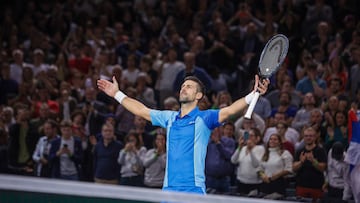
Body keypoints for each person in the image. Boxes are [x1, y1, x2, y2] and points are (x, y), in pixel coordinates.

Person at [97, 75, 269, 194]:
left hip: (193, 190)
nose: (183, 88)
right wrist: (117, 94)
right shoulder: (169, 118)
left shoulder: (205, 118)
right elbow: (142, 110)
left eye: (189, 86)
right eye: (182, 86)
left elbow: (230, 110)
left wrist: (253, 95)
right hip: (168, 189)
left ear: (199, 95)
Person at [292, 126, 327, 202]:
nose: (308, 138)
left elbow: (323, 168)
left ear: (315, 137)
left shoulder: (320, 150)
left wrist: (313, 161)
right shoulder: (299, 151)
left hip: (316, 187)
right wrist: (301, 162)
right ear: (303, 137)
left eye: (311, 136)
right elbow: (294, 168)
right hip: (301, 186)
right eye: (306, 136)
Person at [231, 127, 265, 197]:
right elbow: (233, 161)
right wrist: (239, 147)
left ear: (257, 138)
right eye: (247, 135)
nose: (249, 137)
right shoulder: (242, 148)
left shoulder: (260, 149)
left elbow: (256, 164)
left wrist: (250, 150)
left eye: (251, 136)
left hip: (254, 183)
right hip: (241, 182)